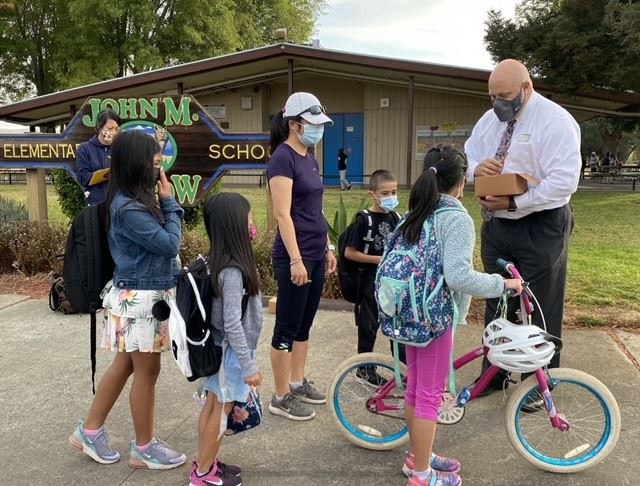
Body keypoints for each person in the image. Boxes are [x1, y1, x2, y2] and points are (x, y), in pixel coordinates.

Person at [400, 146, 523, 486]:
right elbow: (459, 277)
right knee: (428, 396)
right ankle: (422, 476)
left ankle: (418, 458)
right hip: (434, 317)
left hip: (408, 314)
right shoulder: (455, 218)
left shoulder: (417, 212)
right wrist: (504, 284)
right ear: (461, 183)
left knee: (415, 389)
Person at [69, 129, 186, 470]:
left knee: (125, 366)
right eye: (154, 162)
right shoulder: (129, 209)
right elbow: (169, 245)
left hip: (139, 296)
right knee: (147, 372)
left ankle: (89, 431)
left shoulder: (132, 201)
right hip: (139, 301)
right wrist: (170, 202)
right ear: (138, 164)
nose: (159, 168)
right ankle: (145, 447)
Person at [464, 59, 580, 397]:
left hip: (540, 225)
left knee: (541, 306)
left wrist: (517, 203)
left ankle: (538, 383)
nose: (498, 102)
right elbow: (468, 157)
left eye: (505, 95)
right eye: (492, 96)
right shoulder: (490, 121)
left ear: (526, 88)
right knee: (498, 300)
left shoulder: (555, 122)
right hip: (498, 226)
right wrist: (476, 168)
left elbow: (563, 182)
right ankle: (495, 374)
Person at [266, 91, 337, 421]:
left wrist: (328, 247)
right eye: (313, 124)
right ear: (295, 125)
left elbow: (315, 208)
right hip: (294, 256)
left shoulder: (309, 157)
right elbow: (282, 214)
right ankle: (280, 395)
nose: (318, 130)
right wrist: (296, 259)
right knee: (286, 328)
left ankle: (296, 381)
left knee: (304, 326)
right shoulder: (283, 158)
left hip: (315, 252)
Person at [189, 193, 264, 486]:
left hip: (223, 350)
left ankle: (206, 463)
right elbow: (232, 322)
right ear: (234, 225)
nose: (253, 225)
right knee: (220, 412)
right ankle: (203, 474)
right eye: (249, 220)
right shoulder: (232, 270)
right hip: (230, 353)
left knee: (212, 406)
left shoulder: (221, 262)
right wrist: (248, 366)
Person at [343, 169, 404, 385]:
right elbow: (349, 252)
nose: (390, 197)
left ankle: (403, 370)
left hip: (393, 283)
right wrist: (379, 260)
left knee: (398, 325)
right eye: (385, 193)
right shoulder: (363, 221)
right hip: (369, 281)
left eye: (394, 192)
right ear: (373, 195)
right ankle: (365, 369)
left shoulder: (397, 217)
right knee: (368, 327)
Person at [76, 109, 121, 205]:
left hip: (118, 204)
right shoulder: (84, 149)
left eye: (116, 129)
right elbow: (83, 178)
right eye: (110, 128)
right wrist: (104, 174)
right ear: (99, 127)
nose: (113, 132)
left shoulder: (120, 148)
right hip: (96, 204)